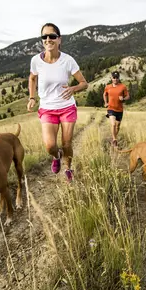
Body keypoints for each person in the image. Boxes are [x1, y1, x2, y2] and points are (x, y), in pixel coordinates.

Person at [27, 23, 88, 182]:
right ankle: (56, 156)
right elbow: (32, 78)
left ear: (59, 39)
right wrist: (32, 97)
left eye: (52, 36)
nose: (48, 39)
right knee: (50, 146)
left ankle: (68, 168)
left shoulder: (68, 60)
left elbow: (84, 83)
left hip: (67, 107)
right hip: (47, 109)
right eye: (45, 37)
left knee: (66, 143)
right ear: (42, 40)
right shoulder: (36, 61)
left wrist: (74, 89)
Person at [103, 71, 130, 147]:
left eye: (117, 78)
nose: (115, 79)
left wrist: (123, 98)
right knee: (113, 124)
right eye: (114, 78)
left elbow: (128, 96)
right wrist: (105, 102)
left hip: (119, 110)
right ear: (111, 78)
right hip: (111, 108)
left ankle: (113, 137)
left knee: (117, 126)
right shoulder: (108, 87)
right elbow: (104, 94)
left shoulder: (123, 87)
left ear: (118, 78)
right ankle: (115, 140)